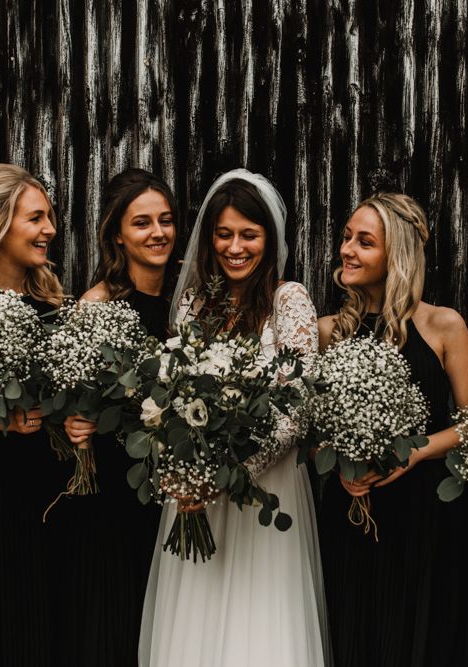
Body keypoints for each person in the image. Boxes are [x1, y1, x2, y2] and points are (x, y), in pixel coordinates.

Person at [138, 168, 330, 667]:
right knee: (193, 626)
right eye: (224, 234)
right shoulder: (192, 303)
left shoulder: (290, 300)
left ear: (269, 238)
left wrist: (225, 477)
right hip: (194, 499)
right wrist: (184, 471)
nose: (235, 247)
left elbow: (297, 405)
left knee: (258, 628)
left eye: (249, 234)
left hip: (263, 493)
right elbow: (170, 393)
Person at [317, 193, 468, 666]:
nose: (347, 249)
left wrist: (413, 452)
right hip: (352, 506)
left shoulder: (443, 326)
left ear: (398, 254)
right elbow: (308, 428)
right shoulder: (329, 331)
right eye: (347, 237)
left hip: (426, 512)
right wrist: (335, 463)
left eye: (364, 242)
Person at [58, 168, 179, 666]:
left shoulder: (189, 302)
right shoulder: (98, 305)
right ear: (117, 236)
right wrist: (72, 426)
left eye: (166, 221)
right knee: (117, 622)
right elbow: (70, 400)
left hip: (175, 492)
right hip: (114, 491)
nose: (158, 233)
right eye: (142, 223)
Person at [0, 164, 64, 665]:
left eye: (50, 217)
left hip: (47, 495)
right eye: (36, 218)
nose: (50, 230)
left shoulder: (53, 306)